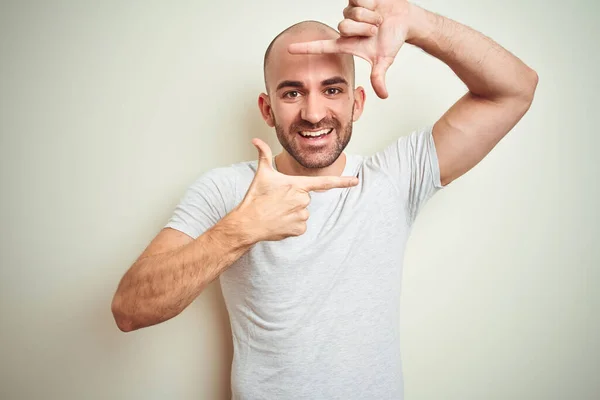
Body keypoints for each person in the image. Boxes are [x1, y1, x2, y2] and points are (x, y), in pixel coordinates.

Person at [111, 0, 538, 398]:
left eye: (332, 90)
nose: (314, 113)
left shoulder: (394, 178)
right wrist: (241, 229)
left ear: (357, 103)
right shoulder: (226, 190)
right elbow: (130, 310)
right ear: (267, 108)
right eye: (292, 92)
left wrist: (417, 23)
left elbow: (515, 89)